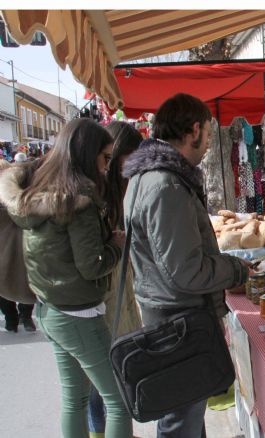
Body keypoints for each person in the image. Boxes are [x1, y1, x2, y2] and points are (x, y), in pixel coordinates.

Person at [122, 93, 249, 438]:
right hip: (179, 322)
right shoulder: (165, 185)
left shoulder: (148, 178)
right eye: (208, 134)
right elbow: (187, 272)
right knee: (180, 423)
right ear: (194, 130)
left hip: (169, 313)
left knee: (183, 417)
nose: (208, 143)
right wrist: (237, 269)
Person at [0, 118, 132, 438]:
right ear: (87, 155)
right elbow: (92, 266)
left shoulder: (40, 193)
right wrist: (115, 245)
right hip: (78, 315)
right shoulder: (79, 200)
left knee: (75, 399)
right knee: (117, 401)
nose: (106, 166)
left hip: (50, 309)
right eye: (104, 157)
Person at [87, 121, 144, 438]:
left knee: (111, 383)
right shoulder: (96, 197)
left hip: (119, 297)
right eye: (128, 157)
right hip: (102, 301)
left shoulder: (120, 190)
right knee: (102, 387)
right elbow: (95, 259)